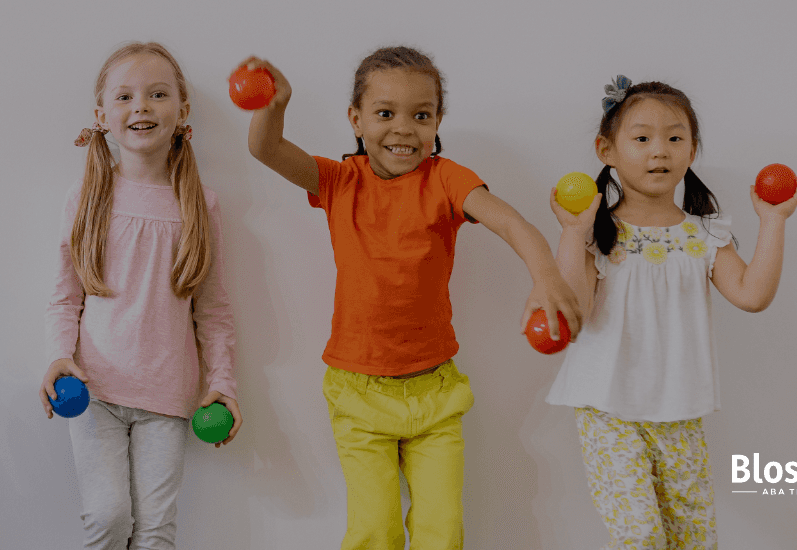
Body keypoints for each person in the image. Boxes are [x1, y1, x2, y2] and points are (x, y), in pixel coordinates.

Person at [240, 46, 582, 550]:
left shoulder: (446, 179)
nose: (403, 128)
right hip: (357, 392)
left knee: (441, 534)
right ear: (356, 120)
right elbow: (265, 150)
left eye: (421, 115)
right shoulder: (338, 180)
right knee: (374, 532)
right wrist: (274, 105)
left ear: (437, 120)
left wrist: (546, 276)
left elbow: (510, 221)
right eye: (385, 113)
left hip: (434, 395)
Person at [545, 76, 797, 549]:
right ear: (606, 149)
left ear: (692, 149)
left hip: (679, 409)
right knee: (642, 536)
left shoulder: (704, 234)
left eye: (674, 138)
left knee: (693, 538)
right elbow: (572, 313)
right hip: (608, 408)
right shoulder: (599, 233)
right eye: (641, 138)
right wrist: (571, 231)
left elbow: (752, 294)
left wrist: (773, 221)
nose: (659, 151)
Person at [39, 42, 239, 550]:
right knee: (107, 518)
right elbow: (64, 298)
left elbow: (212, 311)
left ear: (182, 111)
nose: (142, 107)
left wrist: (223, 384)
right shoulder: (85, 200)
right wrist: (59, 357)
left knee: (154, 531)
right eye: (125, 97)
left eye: (157, 94)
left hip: (168, 398)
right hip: (93, 392)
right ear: (102, 115)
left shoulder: (201, 204)